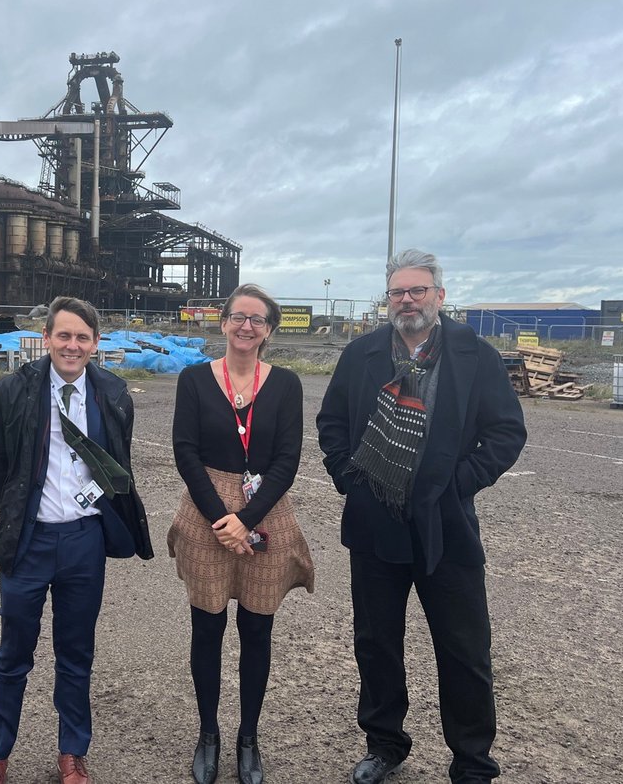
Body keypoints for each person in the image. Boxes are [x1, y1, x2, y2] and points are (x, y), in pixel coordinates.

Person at [315, 250, 527, 784]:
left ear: (439, 295)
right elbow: (332, 422)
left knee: (464, 648)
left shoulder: (474, 355)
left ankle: (473, 761)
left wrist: (458, 484)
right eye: (397, 292)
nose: (406, 300)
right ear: (387, 300)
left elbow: (505, 433)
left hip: (445, 525)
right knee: (377, 642)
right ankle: (385, 743)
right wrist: (351, 481)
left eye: (417, 290)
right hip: (375, 524)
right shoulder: (362, 354)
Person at [0, 296, 154, 784]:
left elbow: (117, 464)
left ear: (95, 344)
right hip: (29, 542)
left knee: (76, 653)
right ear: (47, 337)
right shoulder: (12, 390)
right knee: (13, 653)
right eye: (64, 335)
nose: (72, 345)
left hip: (83, 543)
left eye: (82, 337)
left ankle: (72, 752)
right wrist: (19, 510)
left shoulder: (113, 394)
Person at [169, 283, 315, 784]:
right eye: (238, 317)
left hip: (264, 512)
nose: (246, 326)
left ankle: (247, 737)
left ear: (269, 329)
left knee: (257, 630)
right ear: (224, 322)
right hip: (205, 510)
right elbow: (184, 452)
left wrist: (247, 519)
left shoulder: (287, 384)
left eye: (257, 319)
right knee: (207, 628)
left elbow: (288, 459)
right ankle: (208, 733)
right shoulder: (193, 379)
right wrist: (220, 519)